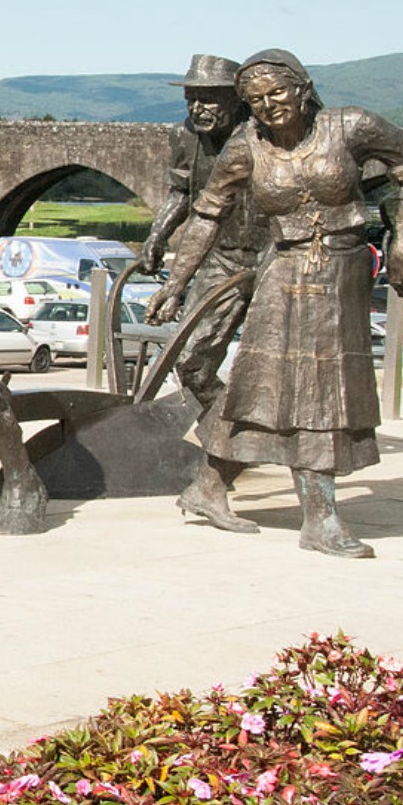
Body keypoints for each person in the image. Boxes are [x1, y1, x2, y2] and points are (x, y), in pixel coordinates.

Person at [147, 49, 403, 559]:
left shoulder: (350, 126)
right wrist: (175, 281)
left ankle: (213, 487)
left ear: (302, 87)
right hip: (283, 268)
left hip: (341, 270)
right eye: (255, 100)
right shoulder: (245, 146)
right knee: (263, 386)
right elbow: (207, 213)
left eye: (276, 93)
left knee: (322, 389)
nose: (268, 106)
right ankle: (317, 518)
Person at [138, 56, 266, 507]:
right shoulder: (184, 137)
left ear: (237, 100)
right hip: (217, 256)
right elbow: (179, 192)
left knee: (269, 365)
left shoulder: (264, 137)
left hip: (272, 257)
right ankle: (228, 436)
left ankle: (240, 443)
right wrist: (157, 235)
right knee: (191, 360)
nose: (198, 108)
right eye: (192, 98)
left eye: (209, 98)